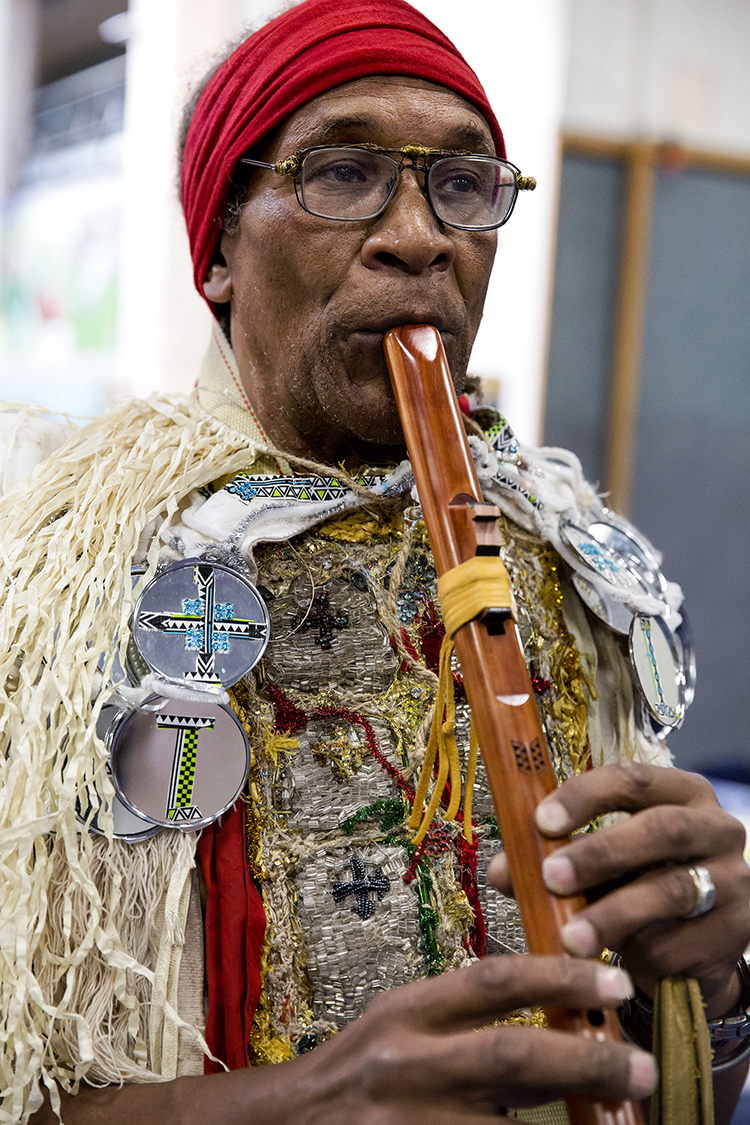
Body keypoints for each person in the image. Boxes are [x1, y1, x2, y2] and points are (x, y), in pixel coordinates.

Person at [1, 1, 748, 1122]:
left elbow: (682, 1082)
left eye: (463, 184)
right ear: (217, 253)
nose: (419, 235)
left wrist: (716, 993)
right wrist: (299, 1103)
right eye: (343, 173)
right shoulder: (63, 568)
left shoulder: (557, 552)